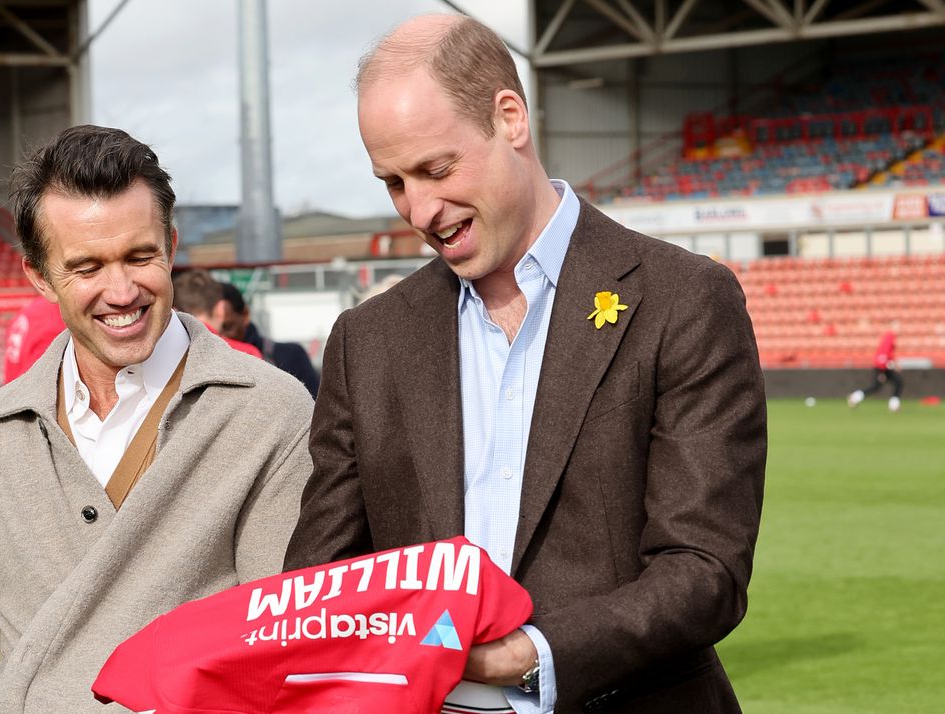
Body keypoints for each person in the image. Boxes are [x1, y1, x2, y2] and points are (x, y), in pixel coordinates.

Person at [284, 15, 767, 714]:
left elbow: (705, 570)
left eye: (436, 169)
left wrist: (530, 655)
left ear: (509, 118)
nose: (418, 208)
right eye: (392, 182)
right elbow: (319, 582)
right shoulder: (368, 339)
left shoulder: (683, 300)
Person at [0, 125, 314, 712]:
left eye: (140, 257)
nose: (121, 291)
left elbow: (288, 638)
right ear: (38, 277)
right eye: (86, 268)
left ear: (169, 244)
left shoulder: (270, 412)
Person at [219, 281, 320, 398]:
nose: (219, 337)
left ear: (245, 315)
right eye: (210, 330)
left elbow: (317, 410)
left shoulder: (290, 356)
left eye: (227, 327)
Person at [171, 269, 263, 358]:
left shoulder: (166, 352)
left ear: (174, 309)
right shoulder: (248, 354)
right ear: (220, 309)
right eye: (228, 327)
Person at [3, 295, 65, 383]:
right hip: (25, 391)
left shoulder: (34, 307)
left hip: (13, 388)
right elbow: (38, 383)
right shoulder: (56, 317)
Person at [847, 321, 903, 412]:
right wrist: (882, 372)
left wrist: (893, 363)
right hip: (881, 367)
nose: (900, 329)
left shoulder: (891, 337)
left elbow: (888, 354)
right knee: (877, 387)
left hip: (884, 366)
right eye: (898, 327)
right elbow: (883, 354)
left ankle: (894, 405)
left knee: (897, 382)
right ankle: (855, 397)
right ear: (893, 327)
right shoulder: (889, 336)